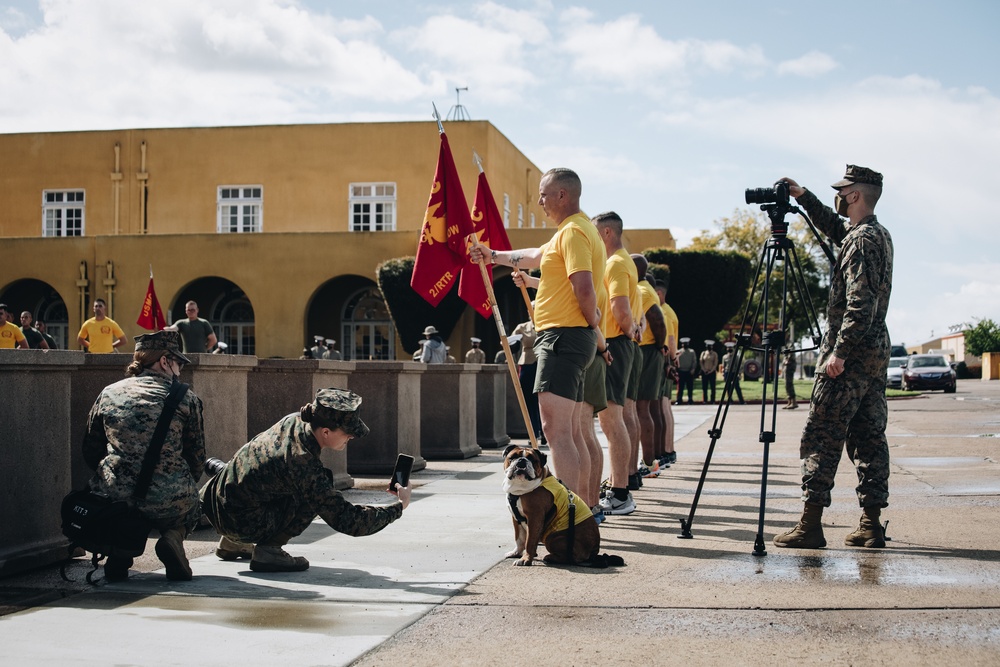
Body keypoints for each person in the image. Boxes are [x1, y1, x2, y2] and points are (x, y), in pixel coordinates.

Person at [773, 165, 893, 550]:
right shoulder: (876, 235)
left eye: (842, 191)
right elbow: (834, 228)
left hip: (851, 355)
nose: (839, 197)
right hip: (873, 355)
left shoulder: (860, 242)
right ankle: (870, 524)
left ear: (855, 195)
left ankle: (810, 525)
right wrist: (803, 196)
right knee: (869, 437)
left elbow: (860, 303)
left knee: (821, 436)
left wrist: (839, 353)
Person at [470, 168, 606, 499]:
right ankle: (583, 509)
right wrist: (493, 256)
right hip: (570, 338)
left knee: (557, 433)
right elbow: (533, 256)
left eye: (544, 194)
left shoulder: (573, 232)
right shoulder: (574, 230)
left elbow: (584, 287)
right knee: (570, 433)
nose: (540, 201)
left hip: (563, 337)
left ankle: (568, 515)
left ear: (563, 195)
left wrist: (591, 320)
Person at [200, 388, 411, 572]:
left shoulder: (294, 421)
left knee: (284, 486)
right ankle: (268, 551)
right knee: (316, 491)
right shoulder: (304, 463)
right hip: (238, 523)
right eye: (348, 433)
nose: (351, 438)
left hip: (216, 503)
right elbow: (348, 520)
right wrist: (399, 506)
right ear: (326, 432)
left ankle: (232, 544)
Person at [81, 330, 205, 582]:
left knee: (123, 502)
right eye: (178, 362)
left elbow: (90, 448)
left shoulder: (109, 393)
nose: (180, 369)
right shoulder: (186, 398)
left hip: (114, 499)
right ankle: (172, 538)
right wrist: (177, 484)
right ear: (164, 361)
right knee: (192, 505)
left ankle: (120, 551)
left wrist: (117, 478)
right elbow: (197, 458)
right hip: (169, 499)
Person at [593, 212, 636, 517]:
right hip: (617, 343)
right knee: (613, 419)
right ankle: (618, 486)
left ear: (607, 232)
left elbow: (619, 306)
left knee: (611, 420)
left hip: (614, 344)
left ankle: (620, 493)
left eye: (595, 233)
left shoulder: (616, 263)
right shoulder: (622, 261)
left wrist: (628, 330)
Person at [632, 257, 666, 486]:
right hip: (649, 351)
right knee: (644, 408)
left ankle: (647, 463)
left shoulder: (641, 291)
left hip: (645, 351)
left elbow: (657, 319)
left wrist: (657, 345)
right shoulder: (645, 289)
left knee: (641, 408)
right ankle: (650, 462)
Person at [655, 278, 678, 466]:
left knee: (662, 407)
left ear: (659, 294)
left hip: (665, 359)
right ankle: (668, 449)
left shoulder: (663, 311)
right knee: (665, 407)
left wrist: (669, 360)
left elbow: (669, 339)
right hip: (669, 359)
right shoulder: (668, 310)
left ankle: (666, 450)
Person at [511, 319, 542, 444]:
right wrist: (507, 343)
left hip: (542, 364)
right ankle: (533, 433)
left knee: (543, 400)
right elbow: (512, 343)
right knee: (528, 400)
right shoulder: (523, 327)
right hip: (528, 364)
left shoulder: (545, 323)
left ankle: (544, 432)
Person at [676, 337, 696, 404]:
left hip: (689, 371)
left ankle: (690, 399)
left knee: (690, 387)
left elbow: (694, 361)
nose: (685, 345)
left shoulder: (692, 352)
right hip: (681, 371)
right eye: (684, 344)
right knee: (680, 387)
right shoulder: (679, 352)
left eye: (686, 344)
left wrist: (693, 369)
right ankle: (679, 399)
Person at [700, 340, 719, 404]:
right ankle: (705, 400)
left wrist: (711, 371)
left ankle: (712, 400)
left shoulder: (714, 354)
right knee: (704, 387)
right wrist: (704, 370)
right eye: (707, 346)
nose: (708, 347)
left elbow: (715, 363)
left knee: (713, 387)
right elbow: (701, 362)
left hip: (712, 372)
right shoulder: (703, 353)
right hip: (704, 372)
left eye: (710, 346)